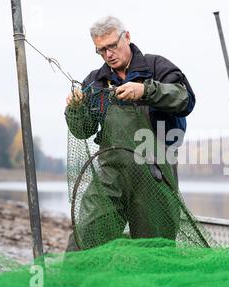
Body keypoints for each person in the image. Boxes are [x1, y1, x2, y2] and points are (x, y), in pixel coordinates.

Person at [64, 16, 196, 250]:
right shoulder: (96, 81)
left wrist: (146, 90)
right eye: (101, 50)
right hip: (111, 173)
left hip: (156, 174)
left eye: (112, 46)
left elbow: (185, 100)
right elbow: (83, 131)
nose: (108, 54)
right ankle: (73, 286)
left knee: (155, 249)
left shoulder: (157, 67)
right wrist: (75, 109)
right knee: (86, 233)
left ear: (127, 36)